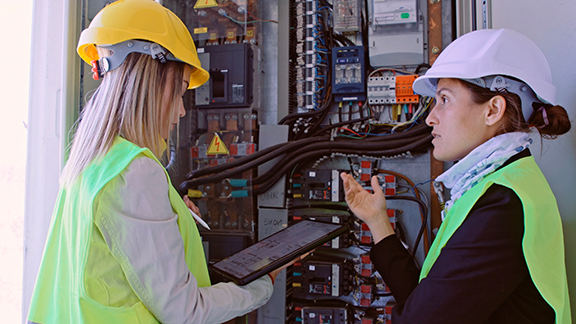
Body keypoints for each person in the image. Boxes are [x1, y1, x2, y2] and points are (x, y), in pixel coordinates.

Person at [27, 0, 286, 323]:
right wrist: (263, 284)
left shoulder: (90, 163)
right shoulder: (135, 172)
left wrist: (169, 211)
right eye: (179, 91)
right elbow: (185, 311)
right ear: (149, 80)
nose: (181, 111)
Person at [341, 28, 571, 323]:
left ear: (492, 111)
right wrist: (377, 221)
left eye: (444, 100)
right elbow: (424, 300)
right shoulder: (497, 184)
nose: (430, 117)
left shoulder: (503, 205)